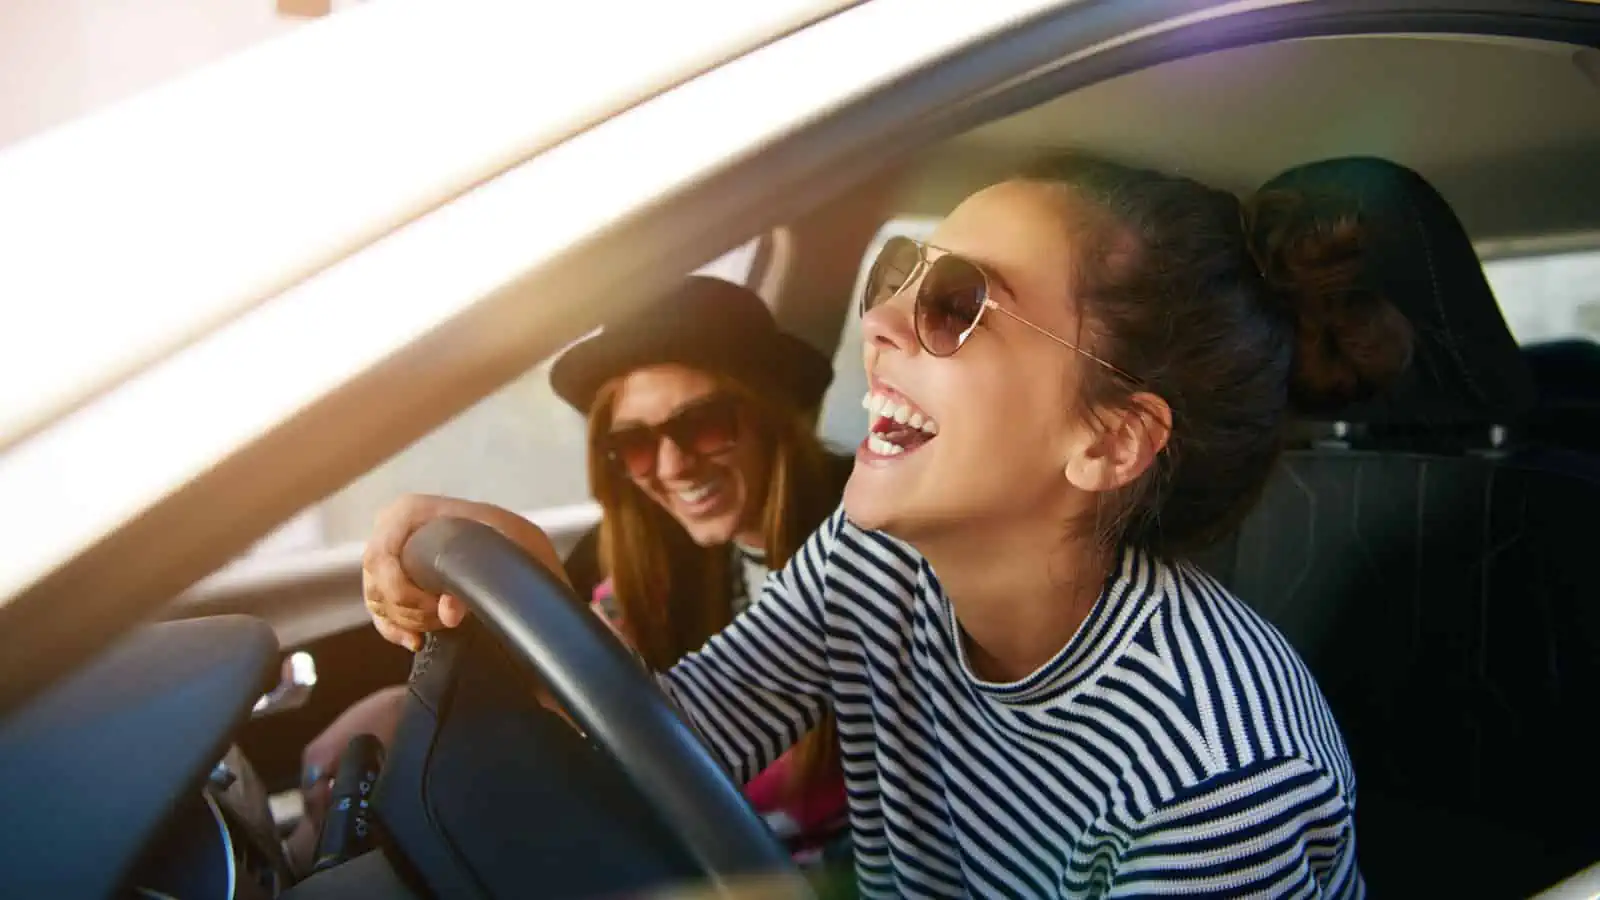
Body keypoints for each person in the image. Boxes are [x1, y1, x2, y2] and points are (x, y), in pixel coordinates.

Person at [363, 155, 1414, 898]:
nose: (876, 322)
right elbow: (679, 742)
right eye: (901, 273)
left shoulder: (1218, 774)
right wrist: (529, 599)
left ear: (1108, 441)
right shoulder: (878, 565)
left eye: (956, 303)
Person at [298, 277, 853, 872]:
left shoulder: (861, 543)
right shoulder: (650, 544)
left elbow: (692, 731)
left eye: (705, 425)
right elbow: (649, 713)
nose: (671, 466)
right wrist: (402, 708)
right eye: (635, 443)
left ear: (771, 415)